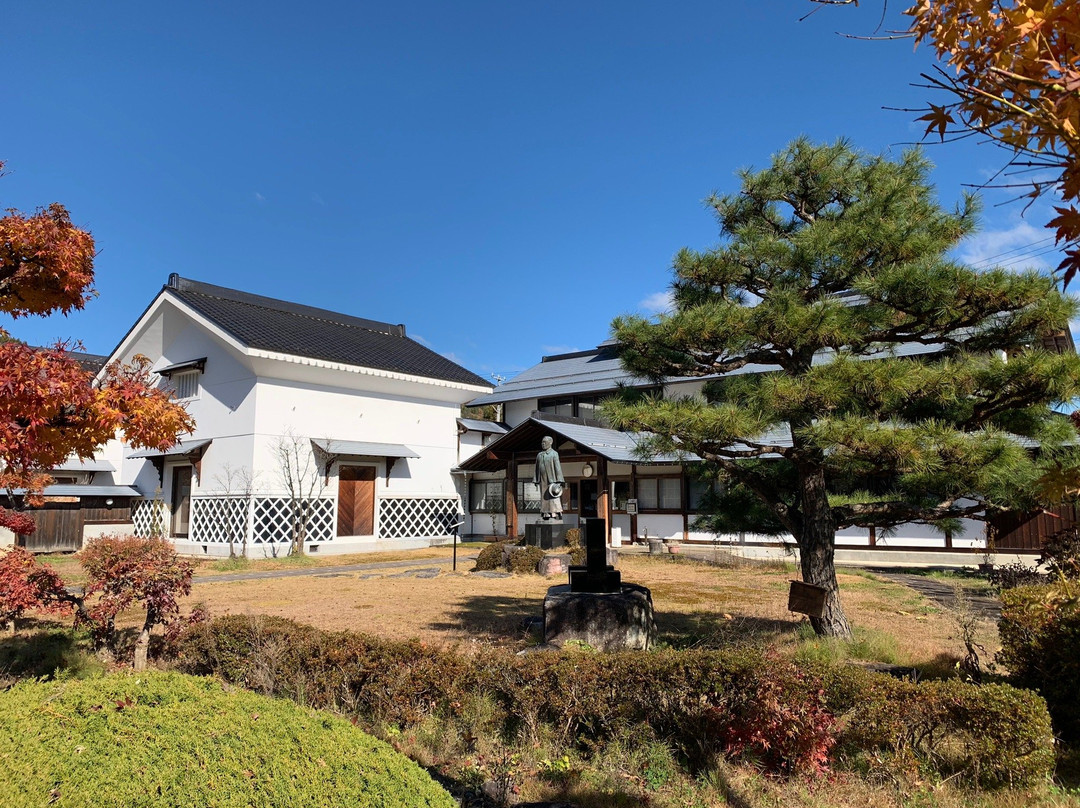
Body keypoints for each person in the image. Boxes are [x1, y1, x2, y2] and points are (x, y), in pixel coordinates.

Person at [534, 436, 565, 520]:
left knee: (553, 497)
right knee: (543, 497)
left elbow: (557, 467)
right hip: (542, 479)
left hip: (552, 480)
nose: (543, 444)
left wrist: (559, 480)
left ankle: (555, 512)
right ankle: (545, 513)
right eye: (542, 442)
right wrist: (536, 480)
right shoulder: (539, 455)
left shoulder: (554, 453)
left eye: (545, 442)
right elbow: (537, 468)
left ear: (550, 442)